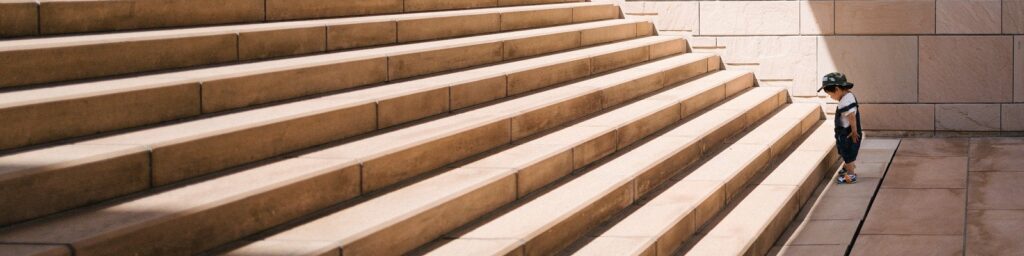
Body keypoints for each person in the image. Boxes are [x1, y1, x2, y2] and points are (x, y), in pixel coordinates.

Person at [818, 72, 862, 184]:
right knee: (846, 151)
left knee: (847, 152)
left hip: (847, 133)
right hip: (847, 131)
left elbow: (852, 117)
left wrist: (854, 131)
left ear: (837, 89)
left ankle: (851, 174)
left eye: (830, 94)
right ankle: (847, 166)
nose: (831, 97)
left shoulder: (844, 102)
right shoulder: (849, 95)